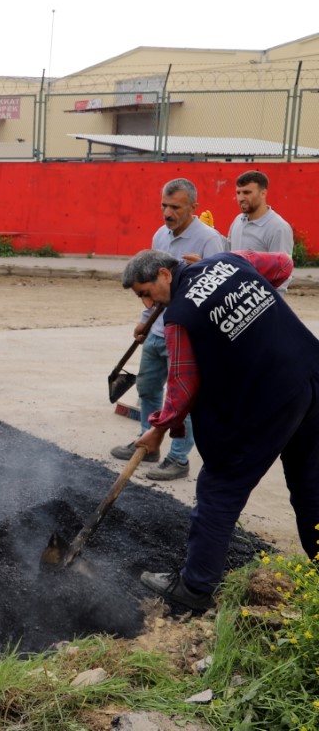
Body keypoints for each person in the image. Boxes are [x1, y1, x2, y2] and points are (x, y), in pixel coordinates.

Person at [121, 248, 319, 611]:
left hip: (267, 399)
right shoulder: (231, 260)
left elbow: (182, 386)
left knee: (219, 488)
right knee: (312, 484)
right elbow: (284, 265)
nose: (149, 303)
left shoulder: (179, 317)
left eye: (147, 292)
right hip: (309, 377)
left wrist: (159, 429)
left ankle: (194, 588)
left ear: (166, 274)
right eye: (142, 298)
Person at [111, 178, 224, 481]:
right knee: (148, 387)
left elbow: (219, 288)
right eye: (164, 205)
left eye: (175, 207)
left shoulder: (209, 240)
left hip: (187, 334)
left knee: (182, 397)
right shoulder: (160, 235)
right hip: (159, 329)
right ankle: (147, 444)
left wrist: (201, 267)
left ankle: (178, 457)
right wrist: (144, 319)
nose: (167, 212)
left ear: (193, 207)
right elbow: (148, 281)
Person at [228, 170, 293, 292]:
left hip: (262, 303)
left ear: (263, 193)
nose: (241, 198)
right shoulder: (238, 220)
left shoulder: (278, 228)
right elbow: (228, 253)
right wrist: (211, 232)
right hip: (235, 298)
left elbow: (284, 271)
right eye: (238, 193)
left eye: (247, 192)